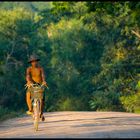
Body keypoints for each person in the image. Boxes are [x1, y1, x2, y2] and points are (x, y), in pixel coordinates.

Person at [26, 54, 48, 121]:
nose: (34, 63)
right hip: (32, 85)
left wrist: (44, 81)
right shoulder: (29, 69)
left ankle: (41, 112)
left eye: (35, 61)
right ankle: (30, 109)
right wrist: (29, 81)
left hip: (40, 85)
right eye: (33, 61)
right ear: (31, 62)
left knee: (42, 99)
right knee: (28, 94)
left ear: (37, 62)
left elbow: (43, 75)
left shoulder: (40, 68)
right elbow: (27, 76)